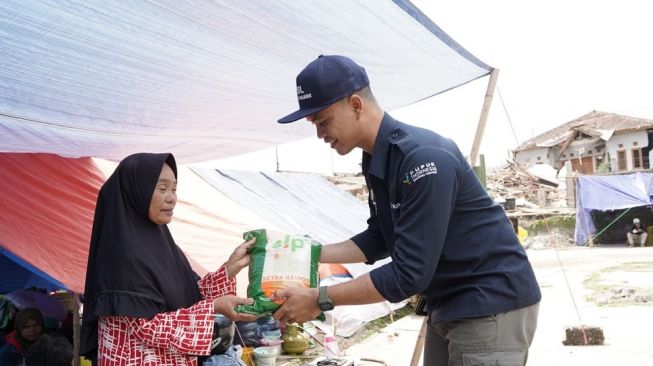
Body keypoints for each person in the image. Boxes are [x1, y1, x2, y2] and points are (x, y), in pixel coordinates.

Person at [273, 55, 542, 365]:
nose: (320, 134)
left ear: (356, 105)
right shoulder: (378, 158)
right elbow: (381, 238)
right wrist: (309, 255)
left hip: (489, 301)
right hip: (450, 301)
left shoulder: (424, 160)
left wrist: (320, 299)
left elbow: (408, 274)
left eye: (322, 121)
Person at [80, 153, 257, 366]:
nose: (172, 197)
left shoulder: (162, 244)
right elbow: (147, 326)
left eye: (174, 189)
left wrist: (230, 268)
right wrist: (213, 309)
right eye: (162, 188)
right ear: (136, 192)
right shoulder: (121, 254)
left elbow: (188, 295)